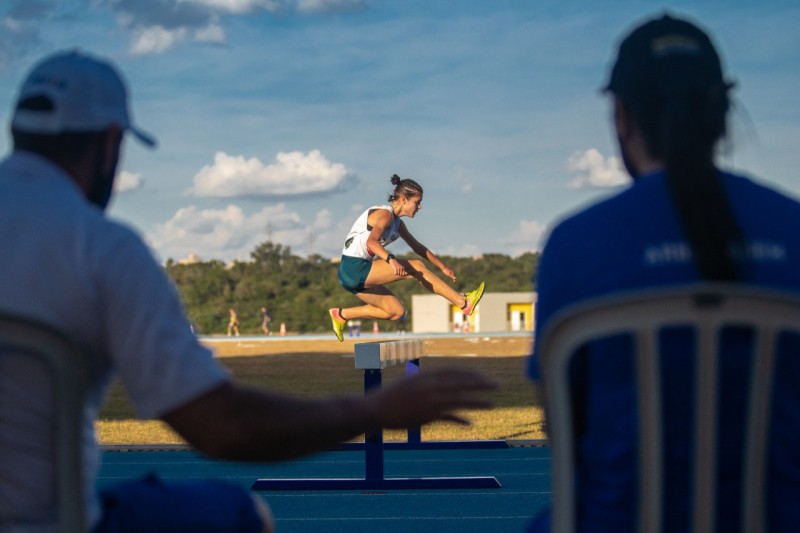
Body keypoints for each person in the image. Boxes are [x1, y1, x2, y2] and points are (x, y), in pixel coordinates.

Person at [0, 50, 497, 532]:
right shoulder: (107, 251)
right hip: (56, 518)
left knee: (398, 293)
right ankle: (437, 308)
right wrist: (374, 411)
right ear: (110, 143)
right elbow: (223, 427)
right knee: (240, 511)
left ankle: (361, 313)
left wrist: (425, 263)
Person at [527, 13, 800, 532]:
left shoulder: (576, 244)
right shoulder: (794, 228)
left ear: (622, 118)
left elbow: (565, 428)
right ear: (721, 113)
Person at [329, 174, 485, 341]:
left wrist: (442, 267)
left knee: (396, 311)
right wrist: (391, 260)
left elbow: (417, 247)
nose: (419, 207)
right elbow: (371, 242)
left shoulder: (398, 224)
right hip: (354, 267)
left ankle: (341, 315)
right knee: (416, 267)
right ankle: (463, 302)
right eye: (417, 202)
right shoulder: (385, 215)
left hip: (351, 275)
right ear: (403, 199)